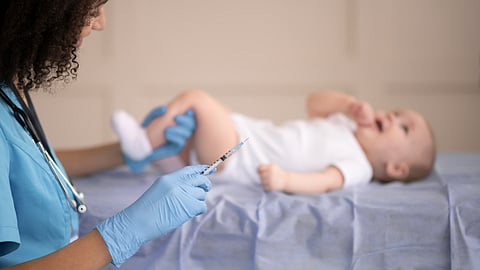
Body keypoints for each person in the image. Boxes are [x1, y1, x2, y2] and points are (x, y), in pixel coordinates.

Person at [0, 1, 212, 269]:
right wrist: (121, 234)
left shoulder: (9, 85)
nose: (101, 23)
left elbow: (28, 166)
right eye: (91, 9)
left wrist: (124, 152)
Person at [113, 89, 436, 194]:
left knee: (197, 99)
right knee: (192, 120)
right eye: (395, 112)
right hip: (244, 132)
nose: (393, 118)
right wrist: (346, 105)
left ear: (395, 167)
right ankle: (169, 159)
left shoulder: (360, 166)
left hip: (239, 157)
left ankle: (141, 145)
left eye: (404, 128)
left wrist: (286, 180)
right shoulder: (346, 124)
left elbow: (325, 182)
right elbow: (314, 104)